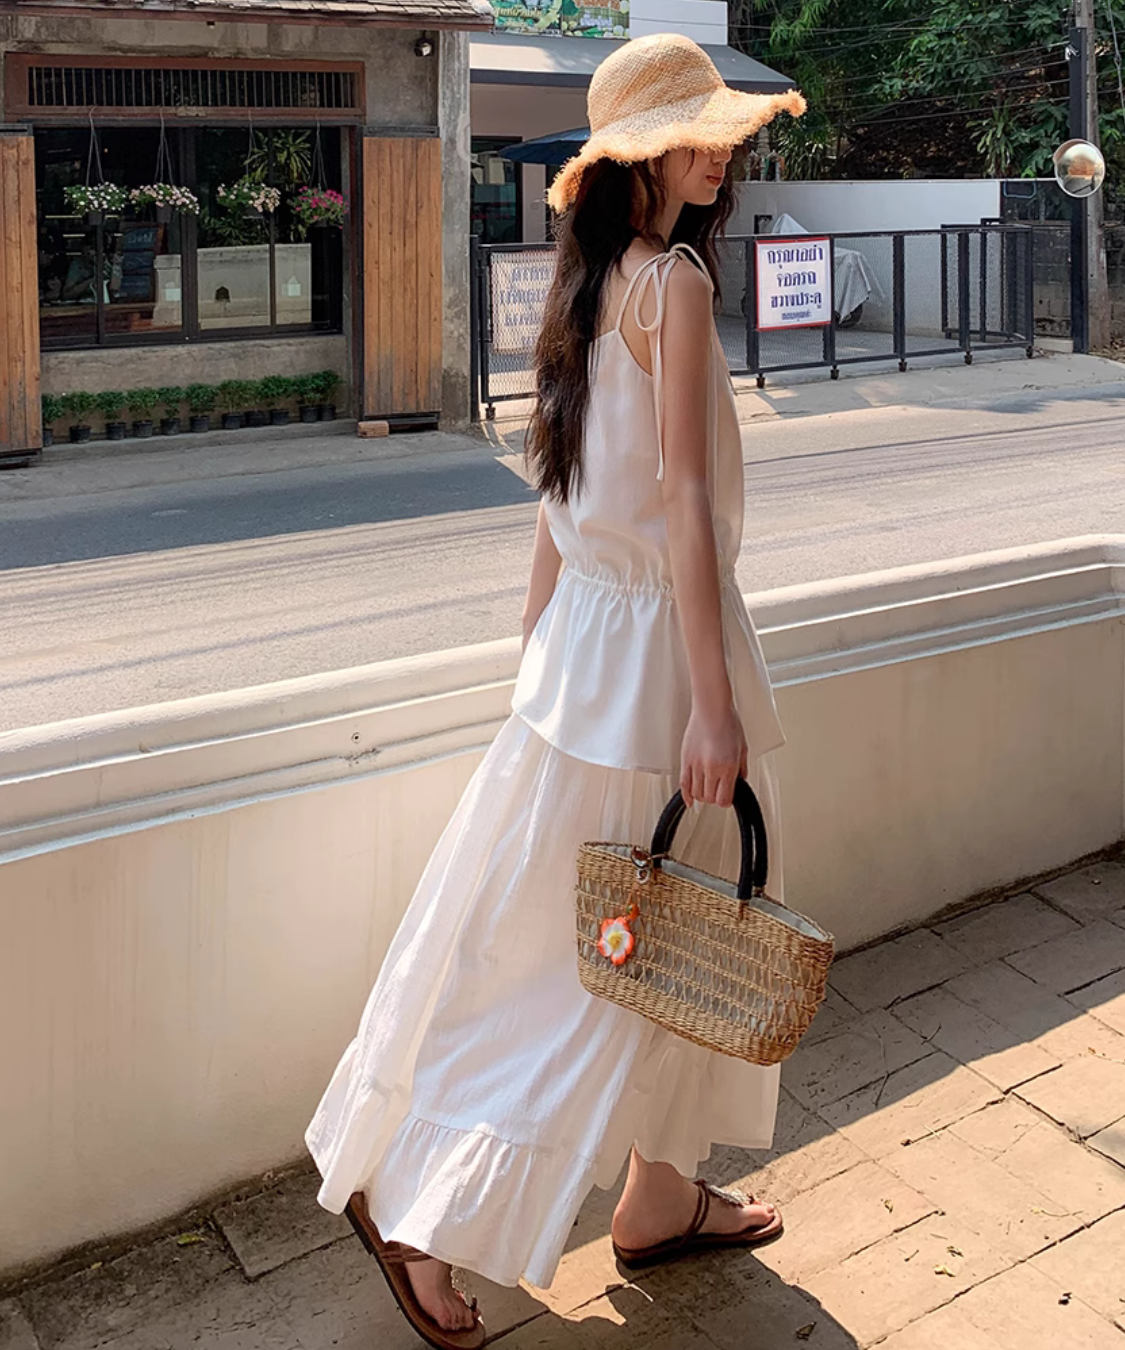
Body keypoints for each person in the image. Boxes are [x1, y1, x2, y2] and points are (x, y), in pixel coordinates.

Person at [305, 33, 805, 1350]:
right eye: (692, 133)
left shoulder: (582, 288)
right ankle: (424, 1211)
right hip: (651, 661)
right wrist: (710, 704)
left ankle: (656, 1194)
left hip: (586, 650)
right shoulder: (673, 286)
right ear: (635, 158)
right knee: (615, 959)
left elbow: (557, 488)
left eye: (718, 130)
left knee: (568, 938)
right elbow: (683, 507)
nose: (718, 151)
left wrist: (538, 643)